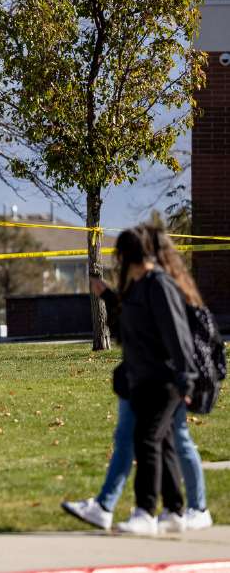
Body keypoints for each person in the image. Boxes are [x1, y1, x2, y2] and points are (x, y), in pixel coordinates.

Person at [62, 227, 212, 532]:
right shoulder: (141, 286)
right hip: (143, 378)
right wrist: (107, 295)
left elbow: (177, 335)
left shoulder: (158, 285)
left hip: (162, 379)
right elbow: (133, 326)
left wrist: (186, 379)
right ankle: (173, 511)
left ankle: (145, 512)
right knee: (165, 441)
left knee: (147, 440)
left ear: (127, 255)